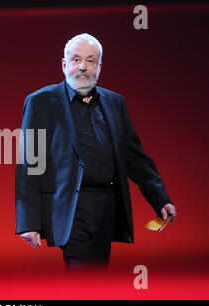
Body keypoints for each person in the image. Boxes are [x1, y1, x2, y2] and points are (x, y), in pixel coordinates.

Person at [15, 33, 176, 269]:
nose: (83, 67)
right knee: (83, 275)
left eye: (91, 61)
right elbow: (31, 164)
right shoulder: (41, 102)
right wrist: (28, 221)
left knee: (98, 277)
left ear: (99, 67)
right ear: (64, 65)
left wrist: (159, 197)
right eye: (76, 59)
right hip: (70, 208)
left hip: (107, 207)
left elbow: (134, 157)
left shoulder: (115, 103)